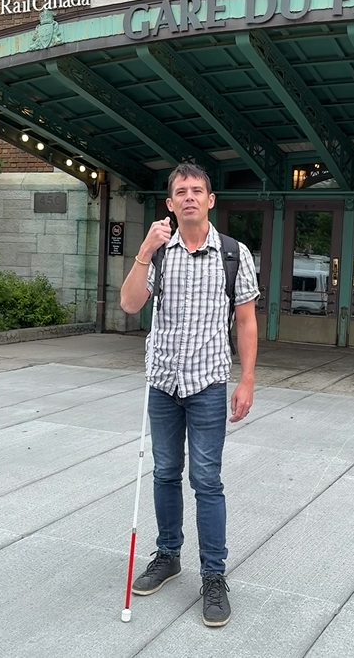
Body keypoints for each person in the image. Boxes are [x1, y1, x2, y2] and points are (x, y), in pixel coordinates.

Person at [120, 163, 259, 628]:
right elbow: (130, 304)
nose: (190, 197)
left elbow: (246, 322)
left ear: (211, 200)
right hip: (162, 382)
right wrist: (144, 251)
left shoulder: (233, 254)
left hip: (207, 385)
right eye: (181, 192)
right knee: (164, 473)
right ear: (170, 203)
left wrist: (247, 379)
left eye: (197, 190)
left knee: (206, 480)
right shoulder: (159, 253)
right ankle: (168, 555)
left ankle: (214, 575)